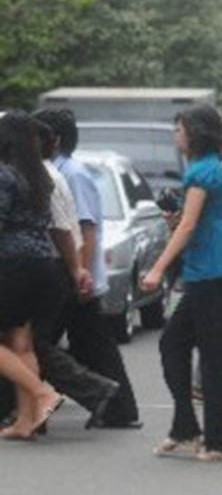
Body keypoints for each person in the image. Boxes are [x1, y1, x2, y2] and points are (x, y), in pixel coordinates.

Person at [140, 105, 222, 461]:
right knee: (174, 343)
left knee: (215, 354)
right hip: (215, 268)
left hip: (213, 271)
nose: (176, 136)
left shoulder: (201, 172)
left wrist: (157, 269)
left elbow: (188, 226)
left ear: (195, 133)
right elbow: (192, 221)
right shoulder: (214, 167)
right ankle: (185, 427)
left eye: (179, 130)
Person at [34, 108, 141, 429]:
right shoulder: (58, 170)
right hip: (69, 271)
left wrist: (79, 272)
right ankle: (114, 405)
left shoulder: (72, 173)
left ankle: (110, 404)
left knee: (38, 343)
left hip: (71, 273)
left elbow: (84, 228)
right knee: (88, 344)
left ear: (53, 139)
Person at [0, 111, 66, 439]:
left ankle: (42, 394)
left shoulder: (5, 176)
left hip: (13, 265)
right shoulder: (41, 175)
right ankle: (26, 420)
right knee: (21, 343)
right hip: (44, 264)